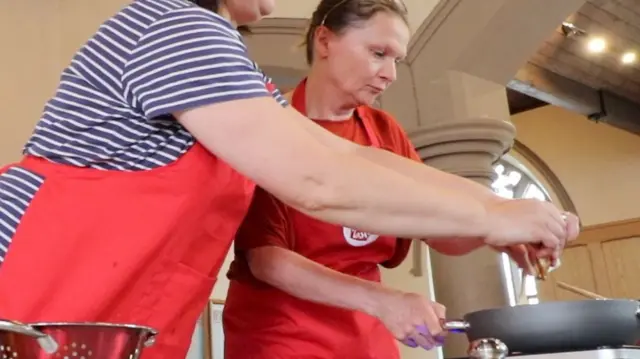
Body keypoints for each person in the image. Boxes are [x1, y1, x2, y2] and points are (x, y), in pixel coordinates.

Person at [0, 0, 576, 358]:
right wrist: (493, 215)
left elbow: (346, 157)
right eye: (376, 51)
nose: (386, 72)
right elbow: (316, 179)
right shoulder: (176, 26)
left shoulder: (236, 68)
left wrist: (492, 206)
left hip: (112, 320)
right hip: (42, 300)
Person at [222, 0, 580, 358]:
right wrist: (386, 301)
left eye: (397, 59)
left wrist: (498, 228)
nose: (390, 74)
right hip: (282, 331)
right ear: (325, 40)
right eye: (378, 53)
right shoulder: (270, 123)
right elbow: (267, 259)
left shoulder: (382, 131)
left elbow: (431, 217)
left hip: (365, 327)